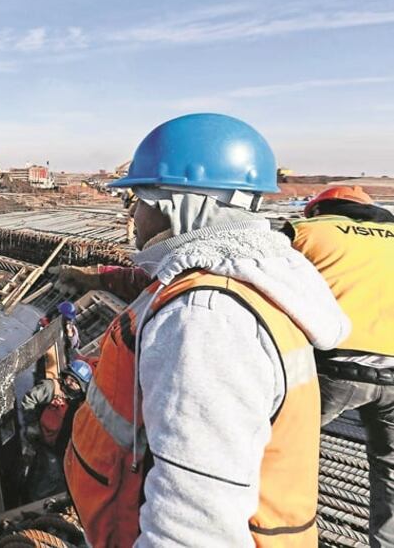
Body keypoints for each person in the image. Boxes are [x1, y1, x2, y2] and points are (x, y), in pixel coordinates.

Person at [64, 113, 349, 546]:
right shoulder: (238, 289)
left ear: (176, 206)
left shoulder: (207, 316)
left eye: (137, 200)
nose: (133, 218)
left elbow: (192, 528)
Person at [283, 185, 394, 546]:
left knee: (276, 454)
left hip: (333, 366)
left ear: (318, 209)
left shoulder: (305, 232)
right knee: (390, 472)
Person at [21, 359, 92, 501]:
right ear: (65, 375)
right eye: (70, 379)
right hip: (40, 441)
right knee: (41, 474)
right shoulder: (51, 387)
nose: (72, 384)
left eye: (77, 383)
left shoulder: (80, 402)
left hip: (61, 447)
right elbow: (29, 399)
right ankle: (31, 502)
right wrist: (32, 424)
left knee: (54, 477)